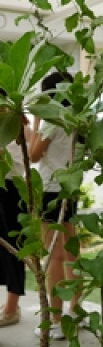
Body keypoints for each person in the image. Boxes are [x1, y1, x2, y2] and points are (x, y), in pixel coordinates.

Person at [27, 71, 79, 340]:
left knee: (54, 255)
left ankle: (56, 320)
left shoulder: (51, 120)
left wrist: (37, 118)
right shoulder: (77, 118)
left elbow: (33, 155)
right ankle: (76, 310)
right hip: (71, 187)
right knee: (71, 251)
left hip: (51, 190)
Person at [0, 136, 26, 327]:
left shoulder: (13, 125)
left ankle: (11, 307)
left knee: (13, 248)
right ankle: (9, 306)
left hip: (10, 185)